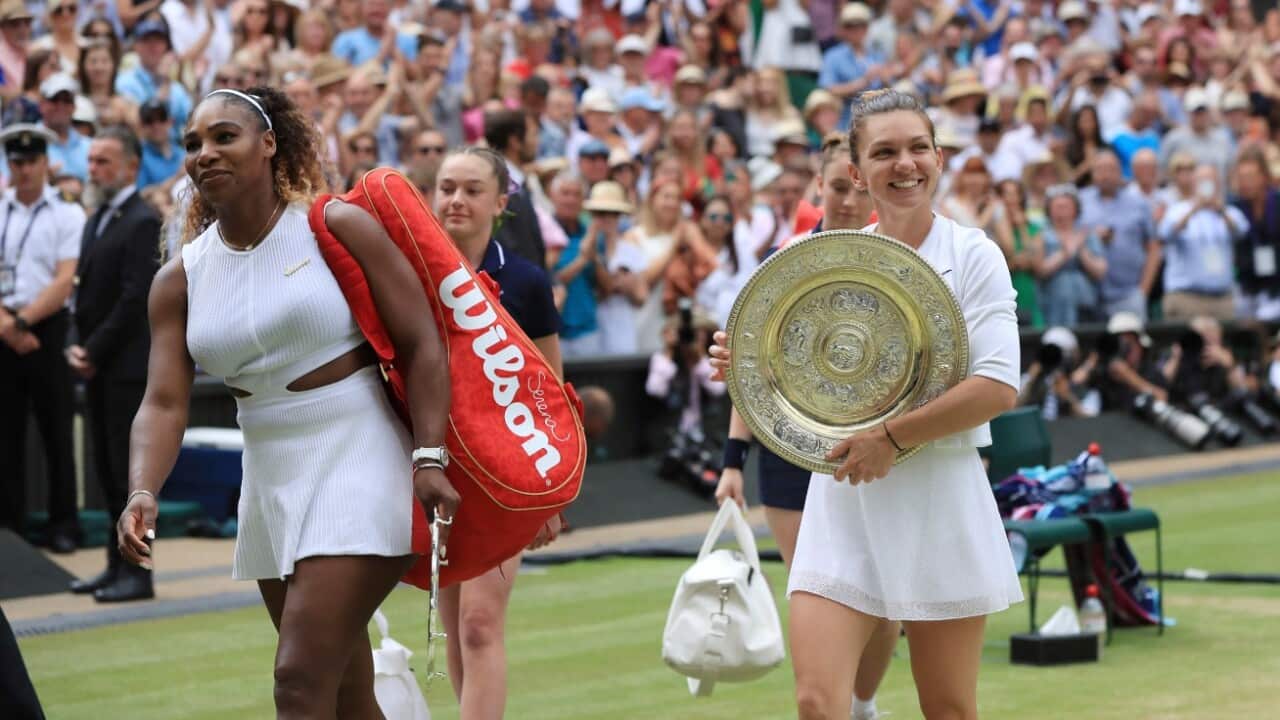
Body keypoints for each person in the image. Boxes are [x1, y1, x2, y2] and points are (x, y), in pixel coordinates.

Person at [115, 86, 457, 717]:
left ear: (269, 144)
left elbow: (421, 340)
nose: (205, 153)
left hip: (360, 452)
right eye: (193, 144)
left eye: (225, 136)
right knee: (348, 694)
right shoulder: (179, 278)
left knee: (298, 680)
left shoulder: (335, 225)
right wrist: (143, 489)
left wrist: (429, 456)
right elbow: (163, 402)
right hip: (269, 474)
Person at [710, 90, 1023, 720]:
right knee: (817, 702)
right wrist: (749, 368)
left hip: (941, 497)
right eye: (884, 152)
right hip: (843, 502)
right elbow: (798, 375)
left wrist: (893, 438)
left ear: (938, 157)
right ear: (857, 171)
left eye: (916, 149)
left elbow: (997, 385)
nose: (904, 164)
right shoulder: (823, 265)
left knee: (949, 708)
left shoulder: (974, 255)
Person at [714, 132, 898, 720]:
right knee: (817, 594)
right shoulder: (784, 264)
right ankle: (832, 705)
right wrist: (731, 462)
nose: (846, 199)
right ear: (819, 188)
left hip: (879, 452)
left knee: (886, 602)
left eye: (855, 188)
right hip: (792, 458)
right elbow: (752, 373)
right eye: (836, 187)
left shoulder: (900, 265)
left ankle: (862, 704)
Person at [432, 146, 565, 720]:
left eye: (471, 189)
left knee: (481, 624)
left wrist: (549, 494)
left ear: (501, 201)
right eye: (446, 187)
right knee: (455, 625)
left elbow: (552, 392)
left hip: (508, 475)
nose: (456, 200)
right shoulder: (411, 271)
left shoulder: (527, 282)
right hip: (437, 472)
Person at [67, 125, 161, 603]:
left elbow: (133, 298)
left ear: (129, 165)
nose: (93, 169)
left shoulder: (142, 219)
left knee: (129, 477)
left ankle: (138, 573)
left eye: (103, 161)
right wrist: (80, 347)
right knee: (106, 471)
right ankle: (113, 564)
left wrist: (93, 349)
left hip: (125, 369)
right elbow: (86, 293)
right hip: (101, 368)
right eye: (91, 161)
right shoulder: (97, 218)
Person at [0, 123, 85, 554]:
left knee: (57, 432)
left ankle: (64, 523)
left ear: (44, 163)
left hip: (46, 327)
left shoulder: (67, 212)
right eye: (17, 162)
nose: (25, 169)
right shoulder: (1, 209)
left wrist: (24, 323)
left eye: (31, 161)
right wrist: (7, 324)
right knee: (5, 435)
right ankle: (10, 526)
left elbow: (65, 278)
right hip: (3, 326)